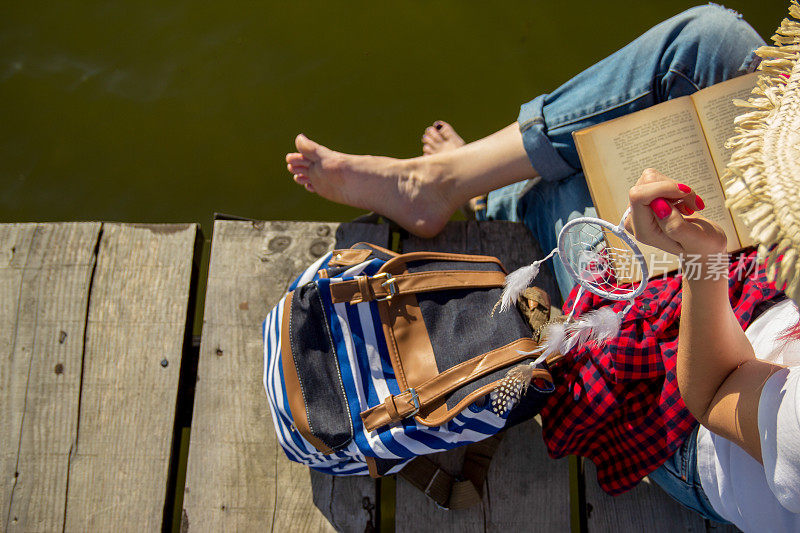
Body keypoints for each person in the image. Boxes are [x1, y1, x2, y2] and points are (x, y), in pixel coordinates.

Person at [286, 4, 800, 530]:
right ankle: (452, 178)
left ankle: (485, 196)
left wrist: (705, 263)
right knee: (710, 43)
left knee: (572, 198)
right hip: (767, 288)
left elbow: (712, 387)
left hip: (696, 410)